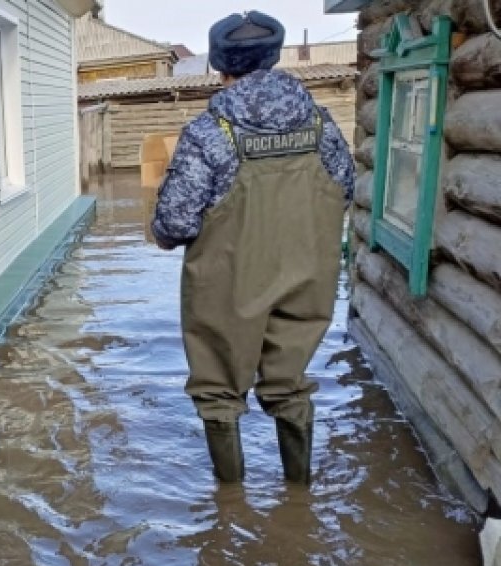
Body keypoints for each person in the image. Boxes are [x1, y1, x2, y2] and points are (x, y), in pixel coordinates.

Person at [152, 11, 355, 486]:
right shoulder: (323, 126)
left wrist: (163, 230)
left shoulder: (209, 133)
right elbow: (344, 190)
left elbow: (174, 223)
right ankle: (299, 501)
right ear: (274, 57)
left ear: (220, 66)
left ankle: (230, 508)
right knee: (291, 383)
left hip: (228, 285)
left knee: (218, 389)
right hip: (308, 276)